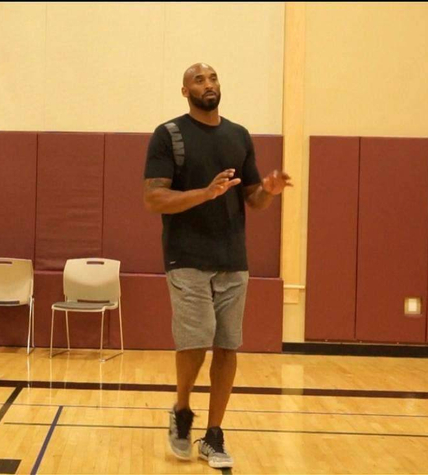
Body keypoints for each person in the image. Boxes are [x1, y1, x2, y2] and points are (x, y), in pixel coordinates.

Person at [143, 63, 291, 468]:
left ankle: (213, 434)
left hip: (232, 258)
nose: (208, 84)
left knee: (227, 345)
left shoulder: (239, 135)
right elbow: (154, 199)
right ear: (185, 91)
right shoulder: (169, 135)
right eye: (199, 80)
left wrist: (269, 190)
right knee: (196, 341)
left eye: (212, 78)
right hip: (186, 256)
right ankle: (182, 410)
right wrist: (204, 194)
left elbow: (253, 199)